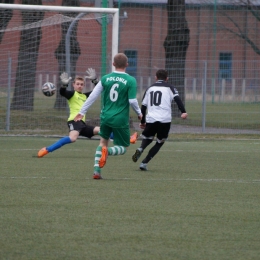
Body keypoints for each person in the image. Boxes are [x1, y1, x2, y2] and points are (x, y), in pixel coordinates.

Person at [37, 68, 138, 158]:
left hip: (82, 124)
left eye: (81, 84)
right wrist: (64, 85)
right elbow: (63, 93)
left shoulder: (85, 96)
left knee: (102, 131)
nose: (80, 86)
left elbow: (98, 90)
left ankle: (129, 139)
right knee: (72, 138)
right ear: (73, 85)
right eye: (77, 84)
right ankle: (46, 150)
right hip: (75, 121)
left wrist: (95, 80)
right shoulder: (72, 94)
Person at [74, 53, 142, 179]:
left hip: (105, 117)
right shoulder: (131, 80)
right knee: (124, 147)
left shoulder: (105, 78)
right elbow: (132, 101)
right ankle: (109, 151)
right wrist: (139, 114)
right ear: (127, 65)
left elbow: (93, 95)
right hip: (120, 119)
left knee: (102, 142)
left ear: (113, 64)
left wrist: (82, 112)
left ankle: (96, 171)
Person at [132, 69, 188, 171]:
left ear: (155, 78)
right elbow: (178, 99)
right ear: (167, 78)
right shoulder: (170, 87)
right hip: (165, 120)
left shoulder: (150, 88)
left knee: (148, 138)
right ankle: (144, 163)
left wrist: (142, 122)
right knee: (159, 142)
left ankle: (141, 148)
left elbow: (143, 107)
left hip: (151, 118)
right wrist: (183, 112)